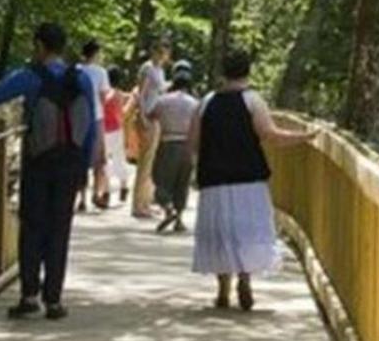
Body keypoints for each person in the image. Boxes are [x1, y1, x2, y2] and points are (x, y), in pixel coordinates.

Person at [0, 21, 97, 320]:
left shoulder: (30, 76)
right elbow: (91, 127)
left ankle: (29, 295)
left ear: (39, 45)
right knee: (60, 229)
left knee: (33, 225)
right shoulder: (81, 78)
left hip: (39, 160)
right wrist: (85, 165)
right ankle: (54, 300)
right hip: (70, 161)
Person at [189, 48, 316, 311]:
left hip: (214, 179)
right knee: (246, 231)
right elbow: (270, 135)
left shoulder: (207, 102)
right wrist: (304, 137)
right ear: (247, 71)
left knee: (220, 232)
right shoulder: (252, 101)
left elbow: (192, 142)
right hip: (248, 178)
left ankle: (222, 289)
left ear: (223, 72)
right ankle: (245, 279)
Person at [149, 61, 198, 233]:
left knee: (160, 180)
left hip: (168, 143)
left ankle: (168, 208)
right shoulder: (195, 103)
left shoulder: (164, 100)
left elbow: (150, 115)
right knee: (182, 184)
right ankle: (179, 219)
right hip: (187, 147)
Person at [132, 39, 171, 218]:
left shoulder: (160, 70)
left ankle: (146, 201)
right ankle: (138, 205)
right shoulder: (147, 69)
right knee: (145, 163)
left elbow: (159, 90)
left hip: (156, 116)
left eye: (165, 53)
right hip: (147, 116)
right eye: (160, 52)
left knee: (151, 162)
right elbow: (141, 94)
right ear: (153, 52)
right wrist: (142, 117)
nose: (162, 56)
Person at [77, 39, 113, 212]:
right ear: (96, 53)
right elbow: (103, 97)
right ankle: (96, 193)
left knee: (79, 157)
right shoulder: (101, 72)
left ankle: (81, 198)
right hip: (96, 117)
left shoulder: (76, 70)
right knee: (99, 159)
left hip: (77, 118)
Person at [103, 65, 133, 204]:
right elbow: (123, 112)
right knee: (120, 159)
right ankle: (124, 186)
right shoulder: (120, 95)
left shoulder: (103, 93)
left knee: (105, 161)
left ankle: (106, 191)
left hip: (104, 130)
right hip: (117, 129)